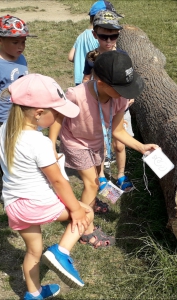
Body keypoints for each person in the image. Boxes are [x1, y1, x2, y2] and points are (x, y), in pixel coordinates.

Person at [0, 74, 94, 299]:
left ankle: (34, 293)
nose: (60, 116)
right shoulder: (38, 142)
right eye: (57, 112)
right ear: (39, 113)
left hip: (14, 205)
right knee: (86, 212)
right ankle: (61, 253)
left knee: (33, 251)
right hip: (35, 203)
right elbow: (58, 181)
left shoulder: (5, 130)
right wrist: (77, 209)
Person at [49, 51, 159, 248]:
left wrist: (141, 147)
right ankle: (85, 230)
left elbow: (117, 131)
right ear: (101, 83)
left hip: (98, 142)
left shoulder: (120, 98)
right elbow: (58, 118)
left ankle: (88, 207)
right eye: (121, 88)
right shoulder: (76, 95)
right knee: (92, 183)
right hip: (76, 142)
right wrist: (50, 145)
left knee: (96, 178)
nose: (126, 93)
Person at [81, 10, 134, 192]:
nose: (109, 41)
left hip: (120, 105)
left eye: (114, 36)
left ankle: (121, 174)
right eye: (104, 37)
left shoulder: (123, 56)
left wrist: (130, 97)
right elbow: (86, 78)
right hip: (98, 107)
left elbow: (129, 80)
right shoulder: (91, 57)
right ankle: (101, 175)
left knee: (120, 143)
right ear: (95, 34)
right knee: (101, 144)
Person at [0, 15, 34, 175]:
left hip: (23, 116)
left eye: (23, 41)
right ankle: (12, 192)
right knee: (8, 163)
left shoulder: (20, 58)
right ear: (0, 40)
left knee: (25, 157)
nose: (21, 46)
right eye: (15, 42)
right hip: (3, 122)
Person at [68, 1, 122, 85]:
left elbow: (70, 57)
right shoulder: (99, 38)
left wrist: (81, 61)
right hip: (94, 81)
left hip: (79, 80)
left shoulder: (81, 35)